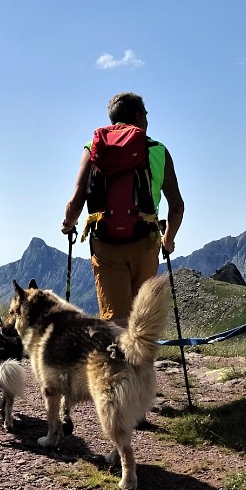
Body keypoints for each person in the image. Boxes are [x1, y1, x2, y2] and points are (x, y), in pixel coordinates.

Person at [61, 92, 184, 327]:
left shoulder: (92, 148)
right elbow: (176, 206)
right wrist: (167, 241)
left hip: (105, 243)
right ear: (138, 115)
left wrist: (68, 225)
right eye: (146, 115)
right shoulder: (157, 150)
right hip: (145, 241)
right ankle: (142, 363)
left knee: (116, 323)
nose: (147, 120)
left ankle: (119, 361)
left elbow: (76, 200)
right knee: (142, 320)